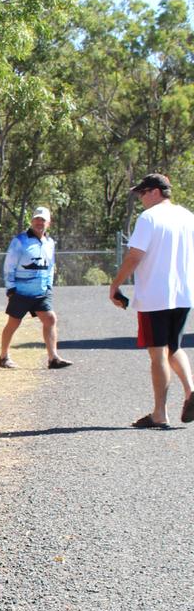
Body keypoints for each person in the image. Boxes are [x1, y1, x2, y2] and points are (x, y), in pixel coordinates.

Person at [109, 173, 194, 429]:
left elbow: (135, 256)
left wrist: (115, 285)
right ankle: (191, 391)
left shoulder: (149, 218)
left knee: (157, 354)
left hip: (155, 296)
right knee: (173, 346)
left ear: (155, 192)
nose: (141, 198)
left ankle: (160, 413)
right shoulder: (187, 216)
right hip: (183, 294)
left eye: (142, 193)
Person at [0, 206, 73, 369]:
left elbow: (51, 265)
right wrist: (10, 288)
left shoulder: (50, 243)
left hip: (41, 292)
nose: (39, 222)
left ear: (49, 223)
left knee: (50, 319)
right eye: (37, 219)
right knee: (13, 323)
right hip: (21, 292)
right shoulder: (20, 241)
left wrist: (49, 286)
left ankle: (53, 358)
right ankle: (3, 357)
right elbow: (9, 266)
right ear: (31, 221)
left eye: (43, 220)